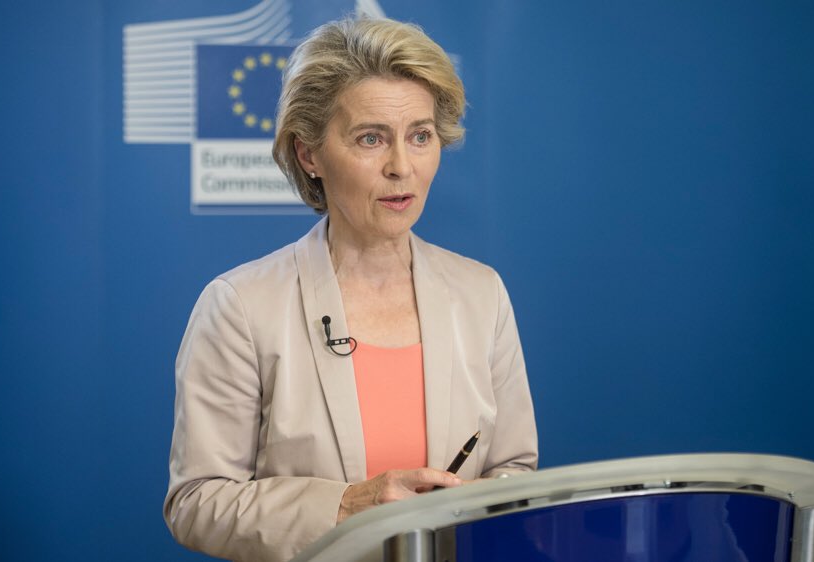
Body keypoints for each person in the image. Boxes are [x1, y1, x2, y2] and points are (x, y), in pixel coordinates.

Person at [163, 16, 538, 562]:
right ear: (309, 154)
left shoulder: (482, 293)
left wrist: (484, 503)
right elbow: (197, 502)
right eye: (370, 139)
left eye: (420, 136)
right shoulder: (241, 306)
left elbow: (515, 469)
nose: (401, 167)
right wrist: (344, 506)